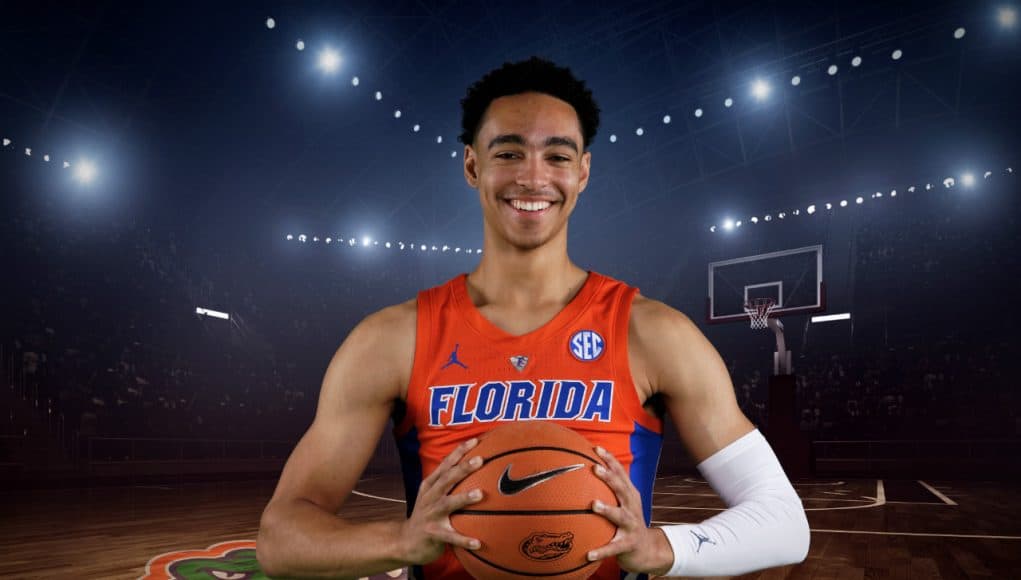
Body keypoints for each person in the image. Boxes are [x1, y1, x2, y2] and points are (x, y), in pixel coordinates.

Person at [256, 57, 809, 579]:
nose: (533, 177)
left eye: (559, 155)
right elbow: (281, 538)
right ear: (473, 164)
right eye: (509, 152)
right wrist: (400, 542)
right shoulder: (393, 338)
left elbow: (784, 521)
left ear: (584, 171)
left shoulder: (653, 332)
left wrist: (663, 548)